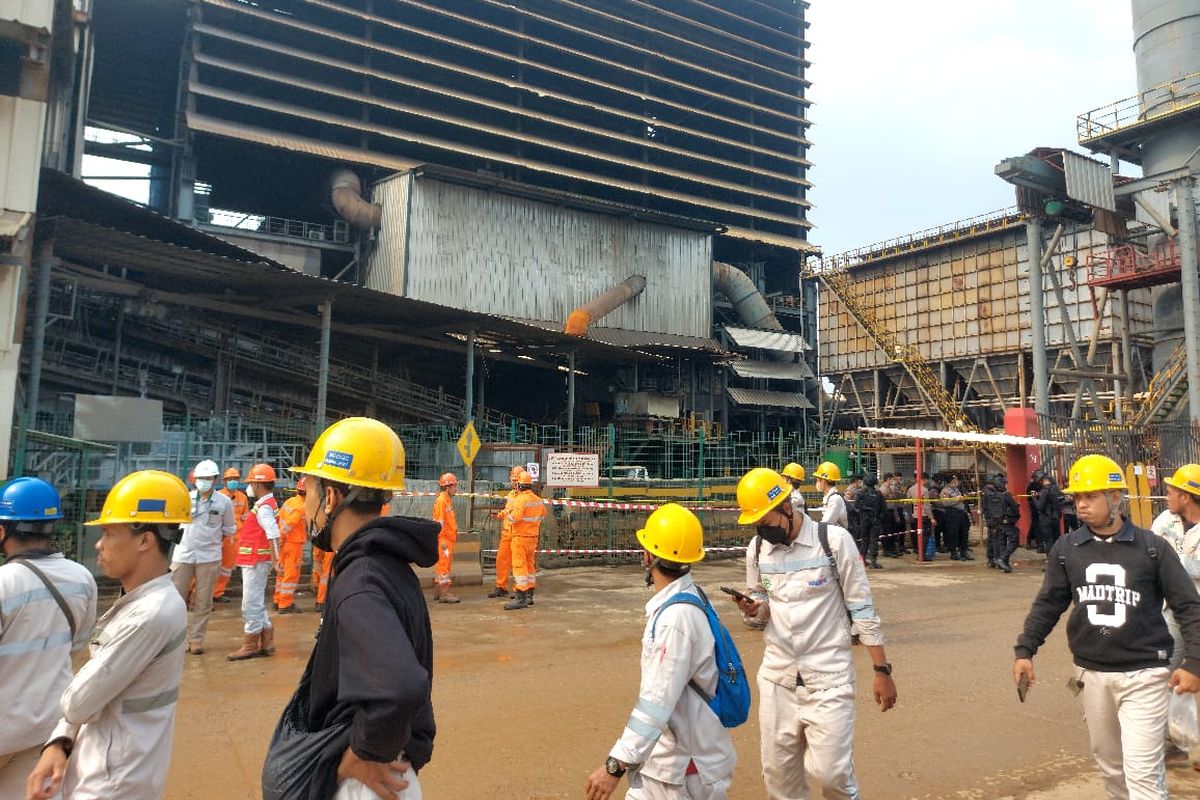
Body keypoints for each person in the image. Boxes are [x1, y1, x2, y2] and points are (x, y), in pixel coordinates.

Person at [264, 416, 438, 800]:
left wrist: (363, 754)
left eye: (309, 493)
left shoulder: (360, 580)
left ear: (330, 498)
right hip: (390, 770)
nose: (306, 505)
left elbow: (401, 684)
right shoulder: (388, 565)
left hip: (369, 780)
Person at [1013, 454, 1200, 800]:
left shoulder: (1152, 548)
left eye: (1091, 496)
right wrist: (1026, 649)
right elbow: (1048, 603)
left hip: (1145, 674)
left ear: (1116, 498)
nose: (1081, 505)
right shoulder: (1068, 549)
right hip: (1091, 674)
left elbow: (1189, 606)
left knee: (1143, 772)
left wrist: (1195, 664)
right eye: (1078, 497)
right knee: (1111, 766)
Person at [732, 468, 897, 800]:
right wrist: (754, 608)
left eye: (767, 521)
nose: (763, 530)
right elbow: (762, 599)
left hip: (829, 678)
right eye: (757, 524)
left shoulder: (833, 542)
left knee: (832, 774)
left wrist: (881, 670)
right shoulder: (758, 549)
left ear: (787, 508)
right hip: (778, 678)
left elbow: (862, 607)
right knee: (779, 778)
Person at [26, 470, 189, 800]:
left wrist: (65, 722)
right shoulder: (142, 601)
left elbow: (78, 700)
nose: (99, 544)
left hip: (114, 781)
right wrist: (61, 740)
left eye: (108, 533)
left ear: (145, 540)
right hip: (105, 763)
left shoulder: (150, 614)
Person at [584, 504, 735, 800]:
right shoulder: (693, 598)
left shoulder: (674, 619)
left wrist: (615, 766)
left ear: (649, 556)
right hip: (685, 760)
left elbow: (656, 701)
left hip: (679, 772)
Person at [0, 478, 97, 799]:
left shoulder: (3, 583)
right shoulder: (82, 578)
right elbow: (77, 645)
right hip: (47, 731)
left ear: (3, 531)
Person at [1150, 464, 1200, 767]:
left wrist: (1173, 564)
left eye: (1171, 491)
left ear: (1187, 496)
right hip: (1173, 613)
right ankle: (1172, 746)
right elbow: (1150, 555)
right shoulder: (1164, 521)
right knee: (1166, 676)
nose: (1166, 495)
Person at [171, 459, 236, 654]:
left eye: (208, 478)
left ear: (215, 480)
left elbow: (228, 529)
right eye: (200, 478)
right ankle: (175, 640)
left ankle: (196, 639)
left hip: (209, 556)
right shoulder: (184, 498)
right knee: (175, 600)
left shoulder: (224, 502)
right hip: (183, 554)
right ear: (194, 479)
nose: (203, 482)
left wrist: (210, 542)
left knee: (203, 600)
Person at [227, 463, 280, 661]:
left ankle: (250, 644)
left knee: (249, 604)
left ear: (258, 486)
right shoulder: (267, 504)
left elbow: (273, 533)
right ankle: (267, 641)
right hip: (257, 559)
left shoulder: (264, 507)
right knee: (256, 602)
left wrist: (276, 560)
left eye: (250, 483)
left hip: (256, 560)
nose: (248, 486)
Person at [504, 470, 546, 611]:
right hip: (532, 538)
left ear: (520, 486)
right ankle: (529, 595)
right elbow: (542, 516)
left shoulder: (520, 500)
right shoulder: (537, 500)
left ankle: (520, 596)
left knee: (519, 566)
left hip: (520, 537)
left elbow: (515, 518)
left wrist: (508, 514)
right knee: (530, 566)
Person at [213, 466, 250, 604]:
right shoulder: (218, 496)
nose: (233, 481)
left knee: (226, 568)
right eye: (230, 479)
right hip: (220, 536)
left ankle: (217, 593)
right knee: (212, 566)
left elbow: (245, 518)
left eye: (235, 479)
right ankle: (203, 594)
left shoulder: (242, 497)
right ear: (224, 481)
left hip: (235, 538)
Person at [274, 476, 308, 614]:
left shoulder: (290, 502)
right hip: (293, 544)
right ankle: (285, 604)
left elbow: (280, 519)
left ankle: (278, 600)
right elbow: (289, 524)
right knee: (291, 574)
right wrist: (282, 536)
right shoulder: (302, 507)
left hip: (285, 543)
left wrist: (280, 539)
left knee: (281, 574)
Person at [489, 466, 523, 599]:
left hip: (517, 534)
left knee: (518, 563)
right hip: (507, 533)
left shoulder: (523, 497)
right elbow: (508, 511)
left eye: (516, 480)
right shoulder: (511, 495)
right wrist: (499, 514)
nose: (514, 483)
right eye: (513, 480)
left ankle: (520, 589)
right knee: (501, 560)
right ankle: (501, 586)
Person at [432, 472, 461, 604]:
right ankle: (444, 593)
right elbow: (439, 522)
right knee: (444, 565)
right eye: (454, 486)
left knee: (444, 564)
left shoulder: (446, 500)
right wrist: (442, 539)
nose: (456, 489)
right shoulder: (442, 501)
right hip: (444, 539)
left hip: (447, 538)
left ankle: (439, 591)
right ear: (448, 487)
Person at [940, 475, 973, 561]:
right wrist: (956, 499)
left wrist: (963, 498)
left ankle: (964, 551)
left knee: (964, 532)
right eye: (954, 480)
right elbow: (945, 503)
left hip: (961, 513)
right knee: (953, 533)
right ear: (951, 481)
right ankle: (953, 552)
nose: (956, 481)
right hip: (952, 513)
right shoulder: (945, 491)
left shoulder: (956, 489)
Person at [856, 474, 886, 570]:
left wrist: (865, 508)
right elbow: (883, 508)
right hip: (875, 520)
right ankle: (873, 562)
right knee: (874, 541)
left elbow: (856, 505)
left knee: (864, 540)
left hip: (864, 519)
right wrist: (879, 517)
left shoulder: (861, 493)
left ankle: (862, 560)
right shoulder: (879, 494)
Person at [813, 462, 847, 529]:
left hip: (838, 537)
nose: (817, 483)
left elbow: (826, 524)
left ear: (823, 481)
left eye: (817, 480)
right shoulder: (829, 497)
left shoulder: (835, 499)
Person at [907, 472, 934, 559]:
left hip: (915, 514)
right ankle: (922, 554)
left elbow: (907, 503)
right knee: (925, 535)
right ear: (924, 480)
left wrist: (910, 514)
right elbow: (926, 506)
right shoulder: (924, 490)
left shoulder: (911, 489)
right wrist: (931, 517)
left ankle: (917, 550)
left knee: (916, 534)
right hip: (923, 515)